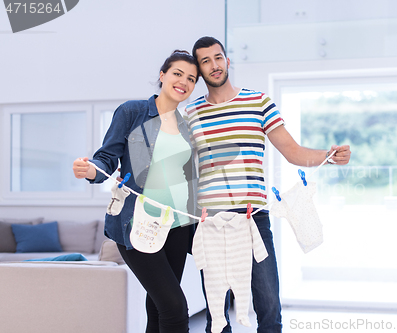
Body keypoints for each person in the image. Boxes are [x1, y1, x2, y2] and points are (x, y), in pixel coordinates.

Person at [186, 36, 351, 333]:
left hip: (253, 220)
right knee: (217, 315)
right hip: (210, 223)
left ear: (227, 60)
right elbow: (178, 168)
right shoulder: (191, 113)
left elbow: (293, 151)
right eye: (206, 61)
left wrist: (328, 156)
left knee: (269, 307)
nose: (214, 65)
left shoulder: (258, 101)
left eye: (218, 57)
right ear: (198, 70)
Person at [72, 50, 199, 333]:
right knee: (176, 309)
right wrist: (92, 170)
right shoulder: (132, 112)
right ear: (162, 75)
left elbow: (189, 176)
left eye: (191, 78)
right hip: (138, 223)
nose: (184, 82)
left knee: (159, 309)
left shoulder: (186, 125)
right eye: (178, 73)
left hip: (177, 225)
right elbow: (106, 157)